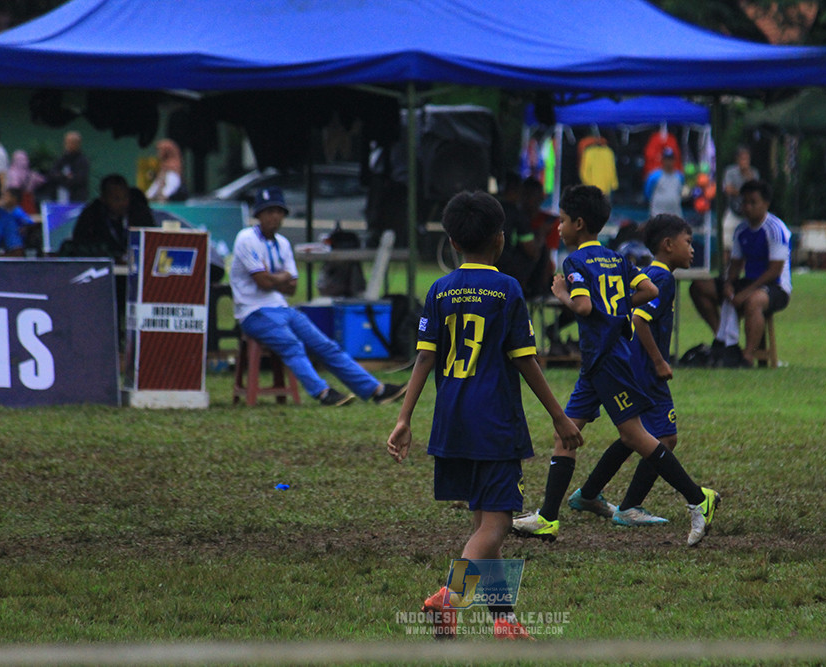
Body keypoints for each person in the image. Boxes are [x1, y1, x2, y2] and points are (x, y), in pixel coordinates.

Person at [387, 190, 583, 640]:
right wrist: (558, 416)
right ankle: (447, 599)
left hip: (451, 422)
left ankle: (505, 621)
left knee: (482, 524)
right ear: (500, 239)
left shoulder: (439, 290)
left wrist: (404, 418)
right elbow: (525, 360)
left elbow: (423, 359)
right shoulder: (508, 290)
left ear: (452, 242)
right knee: (495, 527)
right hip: (494, 424)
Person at [511, 185, 719, 547]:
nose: (558, 228)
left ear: (578, 223)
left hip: (608, 361)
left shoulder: (574, 262)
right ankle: (547, 518)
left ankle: (699, 499)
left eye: (561, 221)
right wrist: (618, 306)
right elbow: (648, 293)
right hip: (597, 364)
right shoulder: (617, 259)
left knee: (634, 436)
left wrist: (561, 292)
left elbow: (583, 307)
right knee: (565, 434)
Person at [570, 214, 697, 527]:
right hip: (643, 369)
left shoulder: (654, 273)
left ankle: (589, 493)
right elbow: (639, 319)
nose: (692, 249)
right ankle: (630, 506)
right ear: (668, 245)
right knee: (663, 438)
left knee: (634, 436)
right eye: (688, 242)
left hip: (628, 365)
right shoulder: (661, 278)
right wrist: (657, 361)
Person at [230, 186, 407, 407]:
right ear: (258, 214)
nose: (274, 217)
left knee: (326, 345)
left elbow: (292, 287)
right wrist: (279, 278)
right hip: (253, 312)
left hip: (281, 308)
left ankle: (376, 389)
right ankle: (322, 392)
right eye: (268, 211)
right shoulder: (246, 239)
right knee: (292, 345)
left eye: (278, 211)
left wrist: (272, 277)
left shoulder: (283, 243)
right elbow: (263, 282)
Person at [689, 179, 791, 367]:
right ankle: (724, 340)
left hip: (775, 287)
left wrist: (745, 292)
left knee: (754, 301)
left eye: (753, 202)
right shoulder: (741, 230)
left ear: (766, 204)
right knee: (698, 286)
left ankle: (747, 357)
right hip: (749, 282)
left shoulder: (776, 230)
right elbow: (735, 264)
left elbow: (774, 271)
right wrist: (728, 283)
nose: (747, 207)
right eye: (744, 202)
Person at [69, 174, 155, 262]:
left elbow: (151, 241)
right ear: (103, 198)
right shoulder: (91, 216)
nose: (122, 203)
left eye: (125, 197)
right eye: (116, 198)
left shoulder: (140, 213)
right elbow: (80, 244)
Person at [496, 175, 549, 299]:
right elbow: (532, 252)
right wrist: (541, 234)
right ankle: (533, 289)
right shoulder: (518, 215)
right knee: (541, 249)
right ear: (518, 191)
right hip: (508, 271)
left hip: (487, 264)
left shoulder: (491, 209)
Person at [719, 145, 759, 261]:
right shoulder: (730, 172)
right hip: (733, 211)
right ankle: (725, 269)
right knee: (726, 242)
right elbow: (728, 189)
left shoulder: (753, 173)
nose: (745, 162)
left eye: (747, 159)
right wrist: (743, 192)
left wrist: (747, 176)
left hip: (747, 213)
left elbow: (755, 191)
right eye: (742, 159)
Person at [47, 131, 90, 203]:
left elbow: (79, 179)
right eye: (66, 142)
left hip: (76, 198)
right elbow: (52, 174)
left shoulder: (82, 160)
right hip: (59, 196)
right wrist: (65, 177)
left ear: (78, 144)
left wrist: (64, 178)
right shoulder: (62, 158)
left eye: (72, 142)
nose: (67, 145)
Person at [643, 147, 684, 218]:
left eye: (671, 159)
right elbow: (647, 192)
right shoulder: (654, 176)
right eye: (666, 159)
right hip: (657, 212)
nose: (669, 162)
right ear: (662, 160)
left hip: (674, 213)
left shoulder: (679, 176)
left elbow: (681, 191)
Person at [5, 150, 46, 215]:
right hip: (29, 202)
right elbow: (43, 180)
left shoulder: (12, 173)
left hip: (16, 204)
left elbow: (14, 186)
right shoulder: (32, 174)